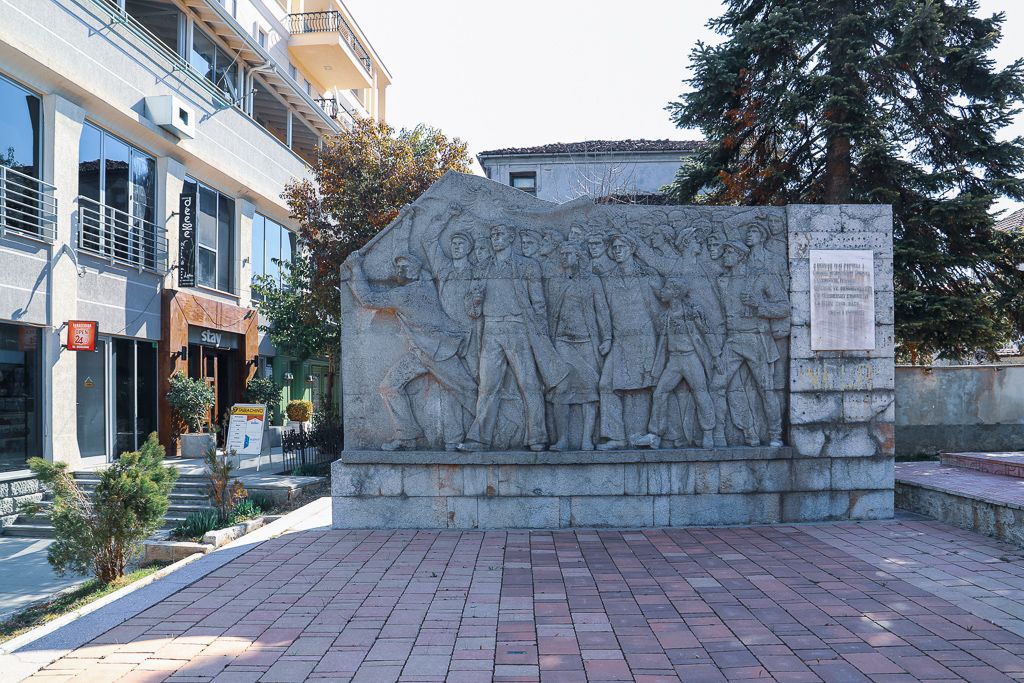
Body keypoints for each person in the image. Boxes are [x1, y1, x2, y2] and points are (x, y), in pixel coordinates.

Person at [345, 252, 477, 451]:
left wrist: (356, 267)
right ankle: (407, 434)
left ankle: (489, 431)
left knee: (468, 392)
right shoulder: (426, 285)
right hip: (420, 352)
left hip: (438, 352)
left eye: (405, 267)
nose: (400, 271)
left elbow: (367, 299)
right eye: (398, 267)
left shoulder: (405, 294)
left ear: (416, 271)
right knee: (390, 385)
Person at [458, 223, 568, 451]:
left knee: (529, 384)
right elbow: (471, 308)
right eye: (493, 235)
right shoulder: (483, 267)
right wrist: (476, 302)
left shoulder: (528, 266)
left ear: (510, 237)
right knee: (487, 387)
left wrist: (540, 338)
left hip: (518, 328)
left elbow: (539, 305)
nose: (495, 239)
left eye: (499, 235)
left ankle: (537, 437)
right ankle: (478, 439)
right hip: (491, 330)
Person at [714, 241, 789, 447]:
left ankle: (775, 435)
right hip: (733, 340)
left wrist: (759, 304)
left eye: (728, 252)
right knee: (717, 385)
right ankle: (718, 434)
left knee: (766, 389)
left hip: (756, 340)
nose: (724, 256)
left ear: (739, 255)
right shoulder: (723, 281)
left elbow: (784, 307)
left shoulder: (760, 277)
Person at [597, 233, 663, 450]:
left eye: (621, 247)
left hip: (644, 338)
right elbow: (604, 312)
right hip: (619, 339)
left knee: (640, 389)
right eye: (614, 247)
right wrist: (607, 338)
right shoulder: (608, 278)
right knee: (606, 385)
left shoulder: (647, 275)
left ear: (632, 249)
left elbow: (660, 309)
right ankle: (616, 437)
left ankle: (640, 435)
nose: (617, 251)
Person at [636, 279, 717, 449]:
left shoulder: (691, 313)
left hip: (691, 358)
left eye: (666, 288)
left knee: (701, 393)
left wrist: (716, 356)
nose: (662, 291)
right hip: (674, 361)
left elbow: (708, 333)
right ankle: (655, 435)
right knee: (660, 393)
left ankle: (708, 433)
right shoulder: (665, 316)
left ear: (675, 293)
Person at [546, 241, 612, 451]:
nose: (564, 257)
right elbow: (549, 313)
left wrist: (607, 338)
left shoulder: (592, 281)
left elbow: (602, 311)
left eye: (568, 253)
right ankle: (562, 439)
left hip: (587, 342)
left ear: (578, 256)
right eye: (562, 254)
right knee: (561, 388)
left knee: (590, 389)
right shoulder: (555, 281)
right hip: (563, 341)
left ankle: (586, 440)